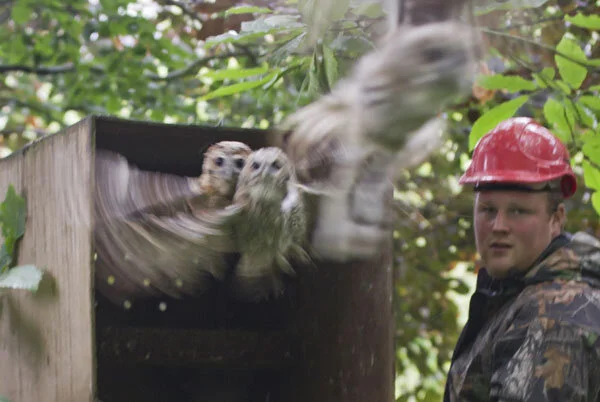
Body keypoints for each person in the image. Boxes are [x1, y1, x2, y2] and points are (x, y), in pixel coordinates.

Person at [444, 117, 600, 401]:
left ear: (556, 219)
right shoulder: (524, 294)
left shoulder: (552, 316)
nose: (499, 226)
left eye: (518, 211)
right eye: (488, 210)